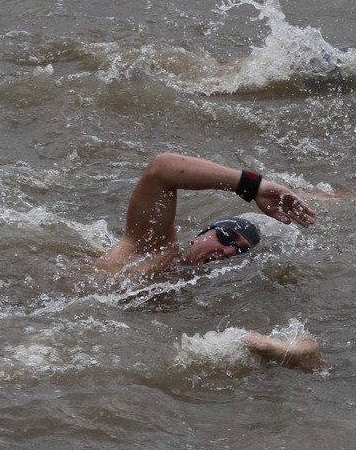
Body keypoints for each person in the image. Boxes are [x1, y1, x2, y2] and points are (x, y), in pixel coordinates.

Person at [96, 151, 324, 369]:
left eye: (239, 251)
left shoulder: (207, 295)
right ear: (197, 237)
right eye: (226, 237)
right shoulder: (152, 250)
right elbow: (163, 169)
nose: (228, 251)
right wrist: (255, 187)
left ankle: (279, 349)